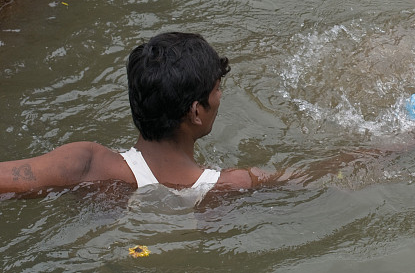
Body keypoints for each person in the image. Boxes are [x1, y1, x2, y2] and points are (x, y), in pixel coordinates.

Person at [0, 32, 278, 200]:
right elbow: (303, 179)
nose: (220, 96)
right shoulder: (232, 185)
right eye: (217, 89)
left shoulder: (88, 165)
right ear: (195, 112)